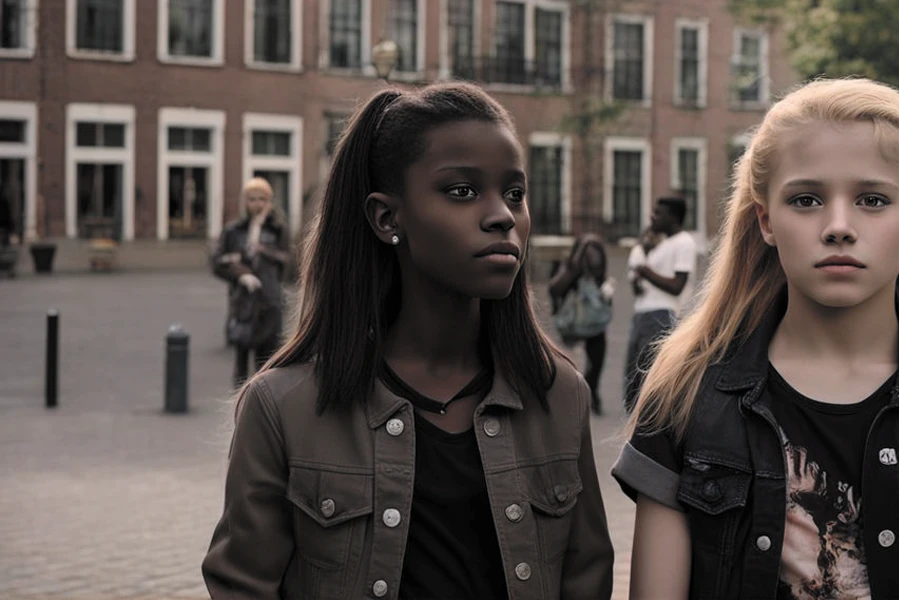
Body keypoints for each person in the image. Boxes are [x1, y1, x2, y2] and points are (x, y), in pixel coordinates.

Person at [612, 78, 899, 600]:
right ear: (766, 220)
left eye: (872, 199)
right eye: (807, 199)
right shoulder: (683, 401)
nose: (838, 226)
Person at [203, 83, 614, 599]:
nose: (503, 216)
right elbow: (241, 587)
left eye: (514, 193)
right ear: (387, 218)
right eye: (462, 191)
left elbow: (587, 580)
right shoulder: (284, 408)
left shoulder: (559, 397)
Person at [211, 177, 291, 387]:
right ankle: (239, 407)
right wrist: (240, 274)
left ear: (270, 201)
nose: (257, 204)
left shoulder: (278, 229)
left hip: (270, 301)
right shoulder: (234, 230)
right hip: (243, 302)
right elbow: (217, 261)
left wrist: (263, 250)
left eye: (262, 199)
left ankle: (262, 408)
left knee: (266, 365)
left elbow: (290, 262)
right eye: (252, 199)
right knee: (240, 363)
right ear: (245, 202)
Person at [623, 197, 697, 413]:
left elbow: (677, 286)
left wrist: (644, 271)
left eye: (658, 213)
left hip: (661, 315)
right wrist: (636, 279)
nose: (652, 217)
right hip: (640, 314)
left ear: (673, 217)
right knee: (632, 381)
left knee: (649, 380)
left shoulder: (684, 242)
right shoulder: (660, 245)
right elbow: (639, 289)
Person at [549, 233, 616, 415]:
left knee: (597, 362)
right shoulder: (568, 267)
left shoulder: (597, 271)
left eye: (595, 252)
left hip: (594, 325)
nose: (591, 257)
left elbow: (605, 300)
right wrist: (574, 267)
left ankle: (591, 391)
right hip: (571, 325)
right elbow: (554, 290)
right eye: (587, 251)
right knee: (569, 366)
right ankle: (575, 396)